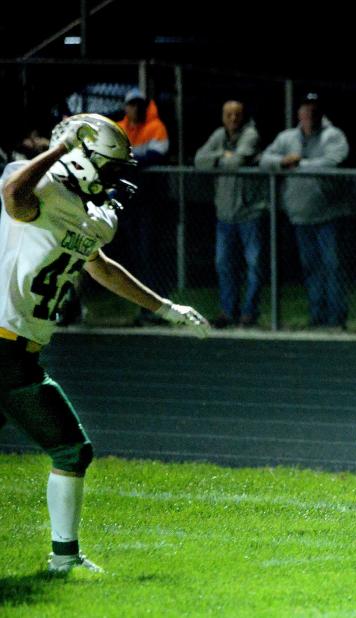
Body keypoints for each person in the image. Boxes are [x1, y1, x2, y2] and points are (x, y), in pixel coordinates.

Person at [0, 114, 209, 574]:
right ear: (80, 157)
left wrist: (165, 308)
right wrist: (58, 151)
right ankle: (64, 559)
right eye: (110, 168)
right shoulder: (40, 188)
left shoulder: (87, 213)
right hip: (6, 351)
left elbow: (102, 267)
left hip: (20, 347)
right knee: (72, 450)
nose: (116, 180)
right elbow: (14, 194)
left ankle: (65, 558)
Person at [260, 93, 350, 329]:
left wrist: (300, 164)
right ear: (299, 112)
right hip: (300, 216)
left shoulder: (333, 135)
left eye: (313, 108)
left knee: (333, 267)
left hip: (328, 214)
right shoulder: (287, 137)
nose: (309, 112)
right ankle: (317, 316)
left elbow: (335, 160)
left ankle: (336, 319)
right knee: (311, 268)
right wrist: (282, 162)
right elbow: (264, 159)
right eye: (305, 108)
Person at [194, 100, 267, 328]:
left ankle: (249, 312)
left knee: (254, 265)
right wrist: (221, 156)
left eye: (237, 114)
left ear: (243, 116)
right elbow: (198, 160)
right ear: (223, 117)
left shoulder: (251, 134)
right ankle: (227, 311)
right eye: (228, 115)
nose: (233, 119)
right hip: (224, 214)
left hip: (249, 213)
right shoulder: (219, 135)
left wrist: (221, 159)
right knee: (223, 264)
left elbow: (238, 161)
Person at [116, 88, 172, 325]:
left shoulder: (156, 127)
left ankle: (156, 307)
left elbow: (156, 156)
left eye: (139, 104)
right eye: (131, 104)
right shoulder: (119, 127)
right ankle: (142, 308)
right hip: (127, 201)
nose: (135, 108)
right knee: (134, 256)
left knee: (150, 253)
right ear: (126, 106)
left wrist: (127, 160)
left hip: (150, 202)